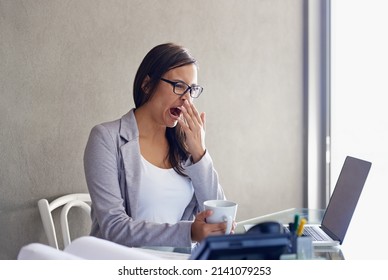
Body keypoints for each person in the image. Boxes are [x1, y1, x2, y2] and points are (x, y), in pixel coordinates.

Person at [83, 43, 231, 248]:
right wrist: (189, 232)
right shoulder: (106, 138)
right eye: (178, 85)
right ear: (147, 84)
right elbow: (114, 227)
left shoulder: (186, 146)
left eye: (192, 89)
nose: (186, 98)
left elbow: (219, 218)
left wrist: (200, 153)